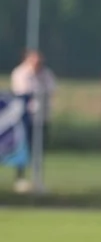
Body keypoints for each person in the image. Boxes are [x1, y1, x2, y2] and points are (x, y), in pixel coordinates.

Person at [9, 49, 56, 193]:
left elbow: (51, 89)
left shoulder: (46, 74)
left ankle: (37, 180)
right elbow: (22, 93)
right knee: (23, 148)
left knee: (39, 150)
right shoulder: (21, 73)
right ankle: (20, 179)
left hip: (42, 117)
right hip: (25, 118)